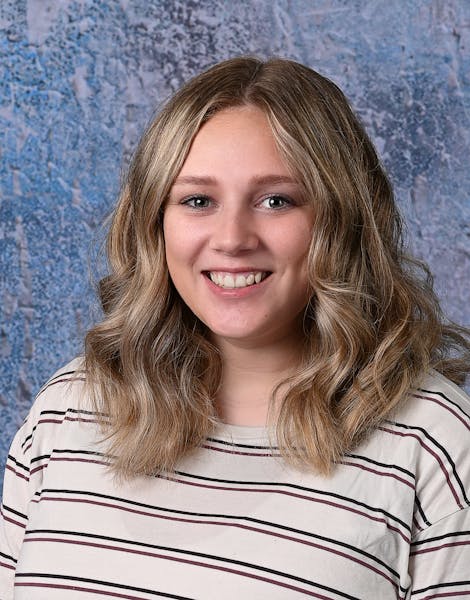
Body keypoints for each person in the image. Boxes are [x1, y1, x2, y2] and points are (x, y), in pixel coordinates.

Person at [1, 56, 469, 600]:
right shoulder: (70, 408)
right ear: (155, 223)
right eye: (197, 200)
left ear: (342, 219)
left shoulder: (434, 445)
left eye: (276, 201)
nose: (232, 239)